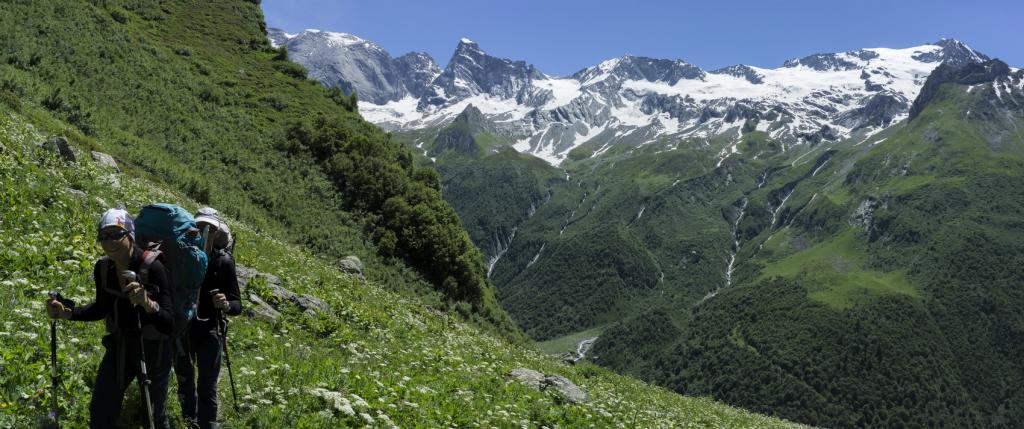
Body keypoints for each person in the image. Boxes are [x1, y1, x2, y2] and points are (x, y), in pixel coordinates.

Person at [47, 208, 175, 429]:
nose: (109, 242)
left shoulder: (153, 267)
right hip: (120, 345)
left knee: (153, 416)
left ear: (130, 235)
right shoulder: (103, 268)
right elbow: (100, 308)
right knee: (101, 410)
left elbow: (169, 324)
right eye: (103, 236)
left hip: (154, 348)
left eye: (116, 234)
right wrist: (67, 312)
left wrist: (147, 303)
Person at [175, 207, 242, 429]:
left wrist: (225, 304)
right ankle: (190, 421)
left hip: (211, 329)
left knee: (207, 385)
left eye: (210, 229)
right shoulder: (180, 257)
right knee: (185, 380)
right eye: (200, 227)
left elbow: (237, 305)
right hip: (183, 328)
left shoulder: (223, 262)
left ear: (217, 233)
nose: (205, 232)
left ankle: (207, 424)